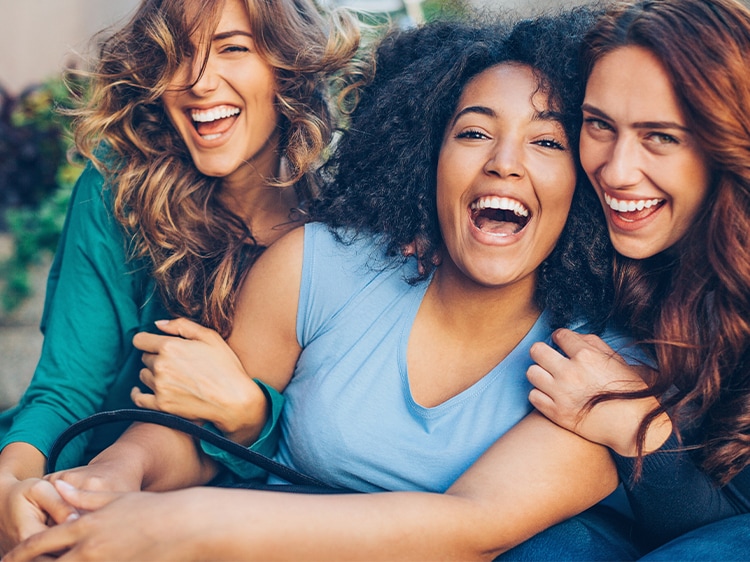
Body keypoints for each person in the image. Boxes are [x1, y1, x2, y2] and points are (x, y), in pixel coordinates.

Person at [5, 12, 647, 561]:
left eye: (547, 140)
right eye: (473, 132)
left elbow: (471, 530)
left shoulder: (602, 366)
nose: (504, 161)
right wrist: (113, 478)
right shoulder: (319, 264)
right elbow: (184, 433)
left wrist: (188, 524)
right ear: (427, 155)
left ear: (588, 180)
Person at [0, 0, 360, 552]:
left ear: (288, 65)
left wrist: (251, 414)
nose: (198, 81)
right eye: (176, 54)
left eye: (233, 48)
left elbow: (350, 435)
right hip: (87, 484)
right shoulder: (117, 193)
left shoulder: (351, 221)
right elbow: (65, 391)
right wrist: (11, 482)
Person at [509, 0, 750, 559]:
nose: (615, 170)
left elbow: (728, 536)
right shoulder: (598, 241)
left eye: (660, 136)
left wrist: (637, 427)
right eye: (599, 125)